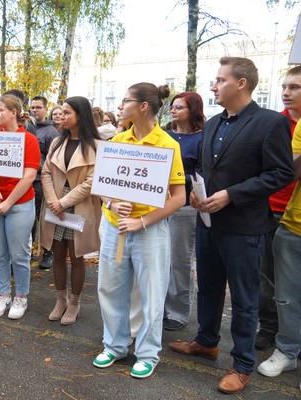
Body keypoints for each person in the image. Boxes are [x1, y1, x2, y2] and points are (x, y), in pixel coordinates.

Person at [168, 57, 294, 394]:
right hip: (208, 221)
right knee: (208, 287)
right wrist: (196, 193)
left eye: (220, 80)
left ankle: (241, 364)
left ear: (241, 83)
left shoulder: (270, 122)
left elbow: (281, 173)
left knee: (243, 298)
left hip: (244, 226)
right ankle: (206, 342)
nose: (213, 86)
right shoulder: (212, 123)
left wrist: (231, 195)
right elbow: (206, 168)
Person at [93, 83, 185, 379]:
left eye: (126, 100)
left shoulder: (168, 144)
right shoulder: (117, 140)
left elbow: (179, 197)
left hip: (149, 231)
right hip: (115, 226)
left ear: (144, 106)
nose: (120, 106)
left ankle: (147, 353)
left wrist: (143, 221)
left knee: (151, 293)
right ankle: (115, 345)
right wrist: (111, 202)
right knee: (110, 289)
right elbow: (102, 185)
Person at [0, 94, 41, 320]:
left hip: (19, 205)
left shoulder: (28, 140)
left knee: (19, 254)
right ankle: (3, 295)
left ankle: (21, 296)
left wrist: (8, 202)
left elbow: (29, 175)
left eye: (0, 110)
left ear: (14, 112)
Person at [40, 96, 101, 325]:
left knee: (76, 257)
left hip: (77, 206)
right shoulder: (57, 141)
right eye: (61, 112)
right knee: (57, 255)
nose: (61, 117)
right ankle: (60, 299)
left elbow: (91, 182)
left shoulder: (96, 145)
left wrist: (63, 202)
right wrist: (52, 200)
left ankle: (74, 302)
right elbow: (46, 172)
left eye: (67, 113)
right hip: (55, 205)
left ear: (80, 115)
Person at [256, 66, 301, 350]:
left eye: (294, 87)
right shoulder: (274, 123)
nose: (286, 92)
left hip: (295, 214)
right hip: (273, 209)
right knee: (268, 277)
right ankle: (270, 327)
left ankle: (293, 335)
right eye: (284, 86)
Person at [163, 92, 205, 331]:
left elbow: (202, 173)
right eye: (172, 106)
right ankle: (159, 307)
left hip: (184, 207)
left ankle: (177, 312)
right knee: (160, 259)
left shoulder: (202, 139)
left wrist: (175, 177)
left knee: (179, 260)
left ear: (193, 110)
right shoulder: (165, 136)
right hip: (158, 204)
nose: (173, 110)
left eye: (179, 107)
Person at [29, 96, 60, 270]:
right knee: (30, 219)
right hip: (28, 181)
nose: (35, 110)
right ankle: (30, 250)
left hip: (41, 181)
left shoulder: (51, 132)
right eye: (32, 107)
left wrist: (35, 165)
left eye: (38, 107)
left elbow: (53, 162)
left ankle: (48, 252)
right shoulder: (29, 127)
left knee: (45, 219)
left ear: (45, 109)